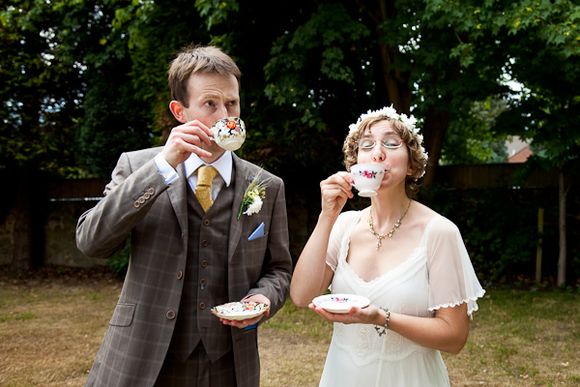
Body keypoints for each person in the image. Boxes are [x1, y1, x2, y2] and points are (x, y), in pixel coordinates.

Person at [76, 45, 293, 387]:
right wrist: (162, 166)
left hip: (228, 365)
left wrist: (264, 296)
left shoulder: (267, 186)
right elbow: (92, 241)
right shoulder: (137, 166)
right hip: (143, 357)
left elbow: (279, 269)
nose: (225, 115)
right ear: (180, 111)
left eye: (232, 103)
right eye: (211, 104)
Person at [290, 106, 485, 386]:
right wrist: (327, 216)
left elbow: (454, 337)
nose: (377, 152)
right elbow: (300, 295)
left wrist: (381, 317)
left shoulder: (439, 232)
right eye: (366, 145)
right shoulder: (344, 225)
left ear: (412, 165)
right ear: (355, 164)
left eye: (391, 144)